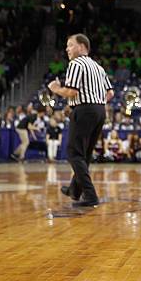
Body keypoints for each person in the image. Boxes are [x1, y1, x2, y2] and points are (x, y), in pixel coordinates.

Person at [49, 33, 114, 207]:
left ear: (82, 46)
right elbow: (110, 93)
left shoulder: (76, 63)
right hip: (100, 110)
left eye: (70, 45)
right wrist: (95, 102)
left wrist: (56, 89)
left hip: (85, 110)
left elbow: (71, 92)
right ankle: (74, 190)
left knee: (74, 153)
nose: (67, 49)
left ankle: (90, 195)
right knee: (85, 154)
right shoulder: (98, 67)